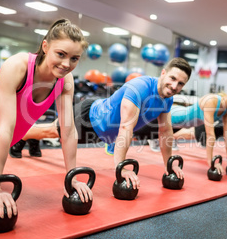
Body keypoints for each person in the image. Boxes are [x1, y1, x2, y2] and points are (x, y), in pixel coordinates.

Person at [0, 19, 92, 218]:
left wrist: (72, 177)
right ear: (45, 46)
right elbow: (5, 129)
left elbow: (68, 130)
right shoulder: (18, 66)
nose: (66, 64)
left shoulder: (65, 81)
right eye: (61, 54)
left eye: (74, 58)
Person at [20, 57, 192, 190]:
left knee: (50, 131)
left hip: (103, 133)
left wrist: (169, 165)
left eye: (180, 83)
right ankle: (21, 136)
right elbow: (125, 128)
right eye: (172, 78)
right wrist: (121, 168)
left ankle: (30, 138)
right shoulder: (140, 87)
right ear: (163, 73)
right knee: (51, 132)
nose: (174, 85)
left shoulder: (167, 100)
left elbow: (166, 132)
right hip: (89, 118)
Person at [139, 84, 227, 175]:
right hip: (170, 117)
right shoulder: (212, 101)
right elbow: (210, 135)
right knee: (134, 134)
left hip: (178, 126)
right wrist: (211, 162)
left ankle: (156, 139)